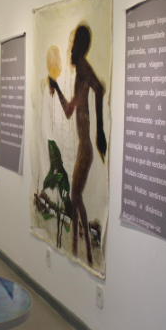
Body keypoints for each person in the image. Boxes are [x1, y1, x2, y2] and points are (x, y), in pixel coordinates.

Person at [47, 23, 107, 265]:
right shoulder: (80, 80)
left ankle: (83, 250)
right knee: (76, 196)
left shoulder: (82, 65)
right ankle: (78, 248)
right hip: (84, 147)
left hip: (86, 148)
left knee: (75, 195)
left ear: (79, 45)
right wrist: (56, 87)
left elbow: (100, 89)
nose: (70, 48)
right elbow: (69, 110)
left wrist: (100, 131)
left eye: (73, 43)